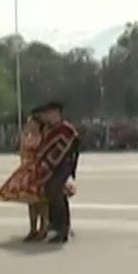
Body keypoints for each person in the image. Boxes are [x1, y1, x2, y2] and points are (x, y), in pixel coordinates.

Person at [0, 117, 52, 241]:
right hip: (27, 170)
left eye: (32, 123)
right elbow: (22, 152)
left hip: (40, 170)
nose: (29, 125)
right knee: (31, 202)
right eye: (29, 123)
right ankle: (33, 229)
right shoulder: (27, 136)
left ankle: (43, 228)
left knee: (42, 201)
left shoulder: (44, 136)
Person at [33, 102, 80, 244]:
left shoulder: (66, 129)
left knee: (57, 192)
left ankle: (63, 228)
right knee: (51, 193)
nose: (46, 116)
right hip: (51, 167)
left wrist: (51, 162)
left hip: (62, 166)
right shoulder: (49, 129)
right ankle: (56, 224)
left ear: (56, 113)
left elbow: (69, 149)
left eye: (48, 113)